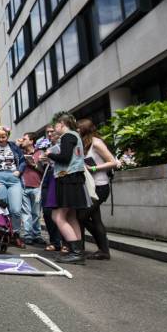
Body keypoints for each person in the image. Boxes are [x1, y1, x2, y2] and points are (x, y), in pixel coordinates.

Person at [45, 113, 91, 264]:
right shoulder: (74, 136)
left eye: (56, 125)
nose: (54, 128)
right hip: (74, 179)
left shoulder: (67, 136)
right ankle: (77, 251)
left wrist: (50, 154)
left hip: (67, 179)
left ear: (62, 124)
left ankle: (76, 252)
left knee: (57, 216)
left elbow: (64, 158)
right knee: (71, 216)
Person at [77, 118, 119, 260]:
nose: (76, 130)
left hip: (100, 186)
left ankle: (103, 246)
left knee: (81, 216)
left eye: (78, 128)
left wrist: (93, 168)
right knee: (96, 219)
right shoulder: (85, 144)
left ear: (85, 129)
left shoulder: (96, 142)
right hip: (90, 186)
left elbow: (113, 162)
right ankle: (104, 250)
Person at [18, 132, 46, 246]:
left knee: (36, 213)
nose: (22, 140)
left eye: (25, 139)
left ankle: (37, 235)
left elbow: (45, 170)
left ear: (31, 141)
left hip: (36, 186)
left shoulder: (40, 153)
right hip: (23, 186)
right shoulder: (20, 154)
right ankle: (28, 235)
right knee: (26, 213)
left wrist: (34, 165)